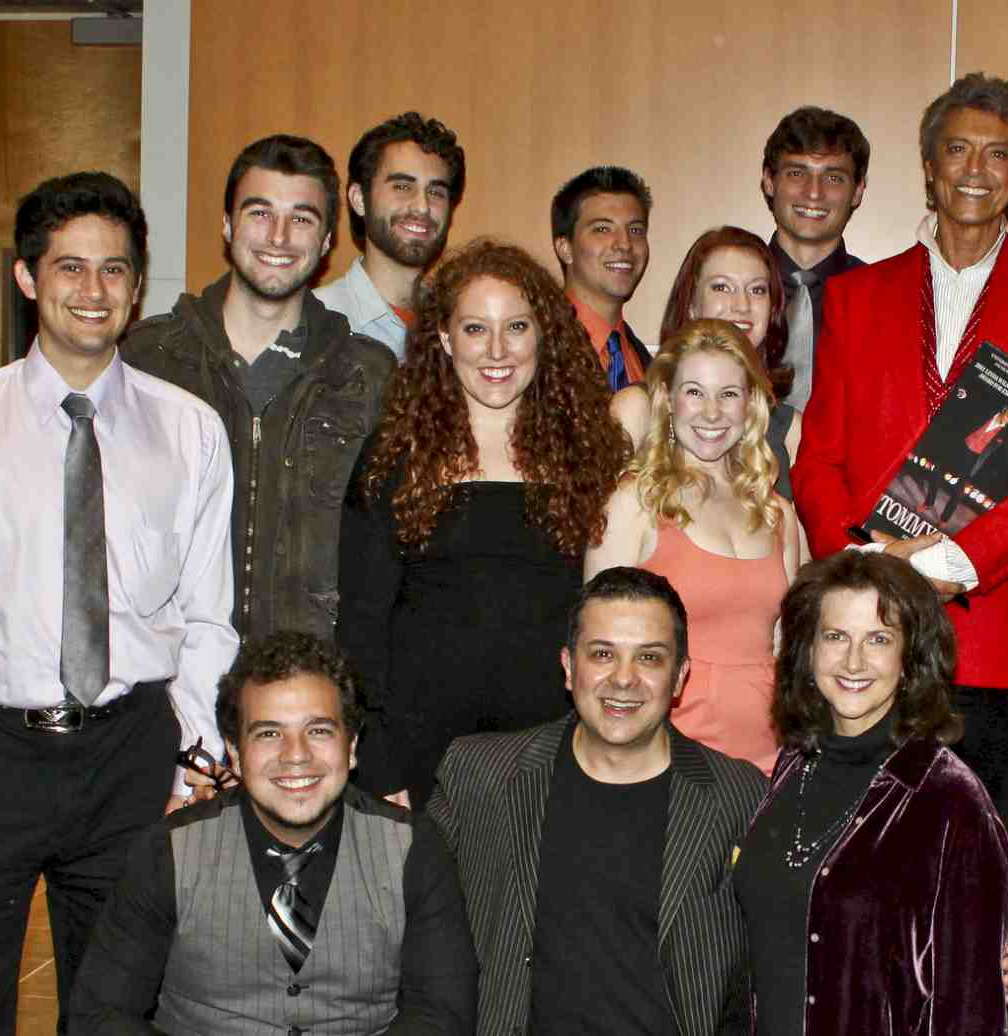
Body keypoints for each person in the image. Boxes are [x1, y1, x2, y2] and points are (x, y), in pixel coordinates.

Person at [0, 172, 238, 1034]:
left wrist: (191, 766)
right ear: (27, 277)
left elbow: (207, 617)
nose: (94, 291)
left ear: (136, 283)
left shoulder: (190, 431)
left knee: (122, 1006)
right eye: (71, 268)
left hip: (130, 754)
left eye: (115, 270)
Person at [793, 72, 1008, 825]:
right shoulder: (858, 300)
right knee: (854, 853)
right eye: (956, 149)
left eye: (996, 155)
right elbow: (818, 460)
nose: (974, 169)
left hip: (985, 633)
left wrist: (955, 562)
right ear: (928, 166)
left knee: (966, 867)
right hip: (864, 636)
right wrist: (871, 575)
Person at [69, 631, 478, 1035]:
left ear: (351, 745)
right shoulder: (166, 852)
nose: (295, 755)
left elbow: (440, 1015)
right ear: (234, 752)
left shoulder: (415, 850)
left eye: (318, 730)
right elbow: (100, 1015)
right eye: (269, 733)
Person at [339, 239, 625, 808]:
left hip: (550, 758)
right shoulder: (396, 457)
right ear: (444, 338)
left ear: (542, 333)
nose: (497, 350)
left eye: (516, 326)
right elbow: (361, 626)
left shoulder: (585, 457)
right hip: (419, 763)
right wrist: (378, 762)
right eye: (475, 329)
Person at [428, 566, 767, 1036]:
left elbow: (756, 975)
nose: (623, 679)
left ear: (680, 677)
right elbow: (421, 944)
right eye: (603, 653)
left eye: (649, 658)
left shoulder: (739, 796)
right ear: (569, 667)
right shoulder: (481, 776)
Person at [124, 134, 395, 642]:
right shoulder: (146, 360)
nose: (278, 236)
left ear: (328, 241)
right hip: (170, 679)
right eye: (259, 213)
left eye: (301, 218)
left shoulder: (369, 377)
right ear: (227, 225)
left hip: (309, 687)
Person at [736, 550, 1008, 1034]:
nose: (854, 660)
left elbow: (970, 1012)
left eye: (879, 639)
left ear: (910, 659)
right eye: (836, 636)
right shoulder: (793, 764)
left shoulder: (951, 802)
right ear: (807, 651)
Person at [588, 319, 802, 773]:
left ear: (750, 405)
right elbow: (596, 647)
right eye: (694, 392)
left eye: (728, 394)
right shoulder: (634, 503)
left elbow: (787, 649)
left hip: (769, 764)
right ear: (667, 401)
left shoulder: (779, 515)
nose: (711, 412)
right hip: (667, 765)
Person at [610, 225, 804, 498]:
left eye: (758, 290)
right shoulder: (637, 407)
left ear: (772, 308)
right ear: (690, 303)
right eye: (722, 287)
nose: (742, 305)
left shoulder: (789, 429)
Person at [316, 111, 466, 359]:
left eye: (436, 192)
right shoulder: (315, 322)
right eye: (403, 187)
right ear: (359, 199)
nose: (422, 207)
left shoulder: (462, 323)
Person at [762, 106, 872, 411]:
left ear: (858, 191)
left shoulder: (883, 302)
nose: (813, 193)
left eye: (833, 178)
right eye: (797, 173)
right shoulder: (726, 289)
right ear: (769, 181)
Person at [552, 165, 654, 390]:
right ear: (565, 248)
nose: (624, 244)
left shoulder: (650, 367)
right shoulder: (536, 348)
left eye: (635, 230)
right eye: (602, 229)